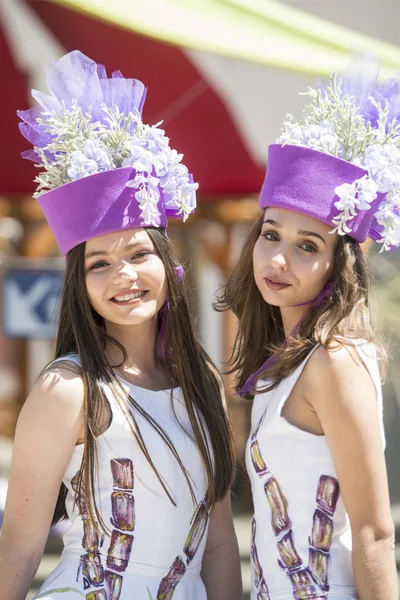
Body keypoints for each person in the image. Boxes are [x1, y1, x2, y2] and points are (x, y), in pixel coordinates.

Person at [0, 51, 241, 600]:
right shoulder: (68, 388)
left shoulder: (201, 375)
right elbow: (19, 543)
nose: (124, 276)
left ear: (167, 261)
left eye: (137, 254)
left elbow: (221, 540)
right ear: (79, 285)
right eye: (99, 264)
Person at [216, 56, 399, 600]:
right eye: (271, 235)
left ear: (338, 264)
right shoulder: (286, 358)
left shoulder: (333, 360)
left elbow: (374, 531)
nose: (278, 259)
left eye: (306, 246)